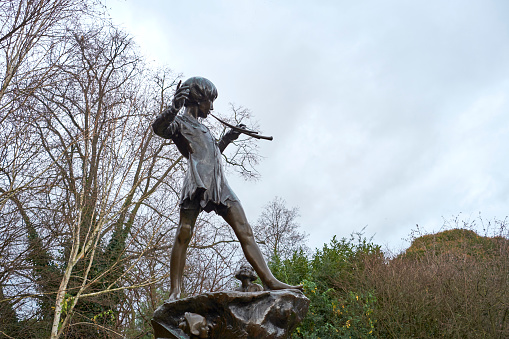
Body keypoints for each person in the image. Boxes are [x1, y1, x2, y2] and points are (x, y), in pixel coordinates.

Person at [152, 76, 301, 300]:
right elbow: (159, 128)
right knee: (184, 233)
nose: (211, 107)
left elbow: (212, 155)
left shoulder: (203, 129)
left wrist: (228, 138)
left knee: (245, 230)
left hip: (220, 185)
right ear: (195, 99)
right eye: (208, 101)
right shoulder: (180, 124)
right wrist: (173, 108)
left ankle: (270, 280)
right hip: (198, 183)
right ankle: (175, 291)